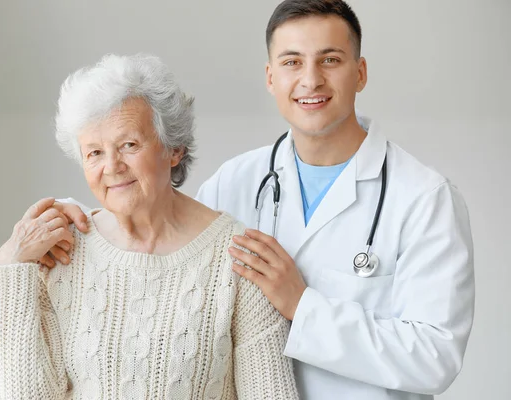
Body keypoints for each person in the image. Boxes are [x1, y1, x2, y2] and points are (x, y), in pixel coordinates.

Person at [37, 1, 475, 399]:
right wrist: (79, 218)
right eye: (292, 62)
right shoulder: (235, 184)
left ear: (359, 72)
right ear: (270, 77)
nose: (310, 79)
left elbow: (435, 358)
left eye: (331, 60)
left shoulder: (423, 198)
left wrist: (302, 306)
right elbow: (160, 247)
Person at [0, 53, 299, 400]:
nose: (112, 166)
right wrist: (9, 265)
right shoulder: (61, 253)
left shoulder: (239, 257)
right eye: (94, 153)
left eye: (128, 145)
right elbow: (25, 396)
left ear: (173, 150)